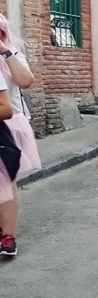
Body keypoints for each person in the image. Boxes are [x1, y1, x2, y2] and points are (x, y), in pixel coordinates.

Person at [0, 13, 40, 256]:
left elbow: (26, 81)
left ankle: (8, 235)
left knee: (7, 179)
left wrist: (5, 51)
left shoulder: (13, 53)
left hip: (11, 123)